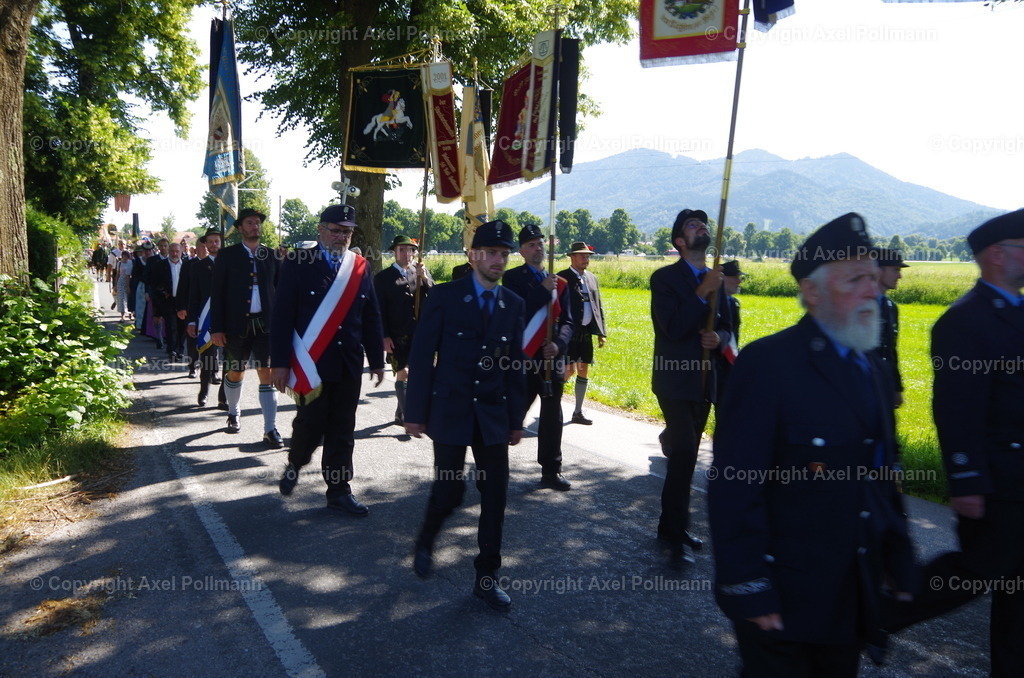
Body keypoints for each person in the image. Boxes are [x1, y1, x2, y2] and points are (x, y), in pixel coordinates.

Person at [709, 213, 914, 677]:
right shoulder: (769, 366)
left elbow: (883, 477)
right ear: (813, 292)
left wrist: (898, 561)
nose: (873, 289)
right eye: (856, 279)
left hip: (849, 596)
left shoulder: (873, 370)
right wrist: (749, 588)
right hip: (784, 601)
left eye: (872, 276)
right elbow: (736, 487)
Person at [884, 209, 1024, 677]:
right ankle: (875, 616)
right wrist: (965, 479)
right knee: (972, 574)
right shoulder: (967, 320)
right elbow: (957, 409)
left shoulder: (1016, 314)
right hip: (999, 480)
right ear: (998, 255)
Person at [405, 220, 527, 611]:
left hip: (492, 415)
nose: (498, 260)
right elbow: (423, 356)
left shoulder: (514, 305)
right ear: (473, 255)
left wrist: (515, 420)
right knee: (449, 491)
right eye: (491, 253)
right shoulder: (446, 297)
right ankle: (426, 541)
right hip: (450, 410)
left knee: (495, 497)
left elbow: (517, 368)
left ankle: (487, 579)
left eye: (504, 254)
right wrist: (415, 412)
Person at [272, 204, 385, 515]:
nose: (341, 237)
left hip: (348, 362)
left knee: (342, 429)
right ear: (320, 230)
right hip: (313, 364)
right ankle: (296, 461)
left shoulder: (360, 267)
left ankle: (338, 490)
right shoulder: (297, 263)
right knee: (311, 424)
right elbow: (282, 316)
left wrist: (377, 359)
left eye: (347, 232)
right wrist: (280, 363)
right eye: (335, 230)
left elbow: (371, 315)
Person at [651, 208, 732, 568]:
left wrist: (720, 336)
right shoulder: (665, 279)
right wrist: (702, 291)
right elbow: (671, 327)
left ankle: (670, 526)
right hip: (674, 379)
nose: (701, 227)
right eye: (692, 225)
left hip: (704, 382)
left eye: (702, 223)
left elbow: (730, 326)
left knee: (687, 457)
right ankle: (676, 531)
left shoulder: (716, 278)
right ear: (680, 241)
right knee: (684, 454)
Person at [501, 224, 574, 491]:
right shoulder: (512, 279)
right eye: (531, 244)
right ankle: (495, 463)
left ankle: (551, 470)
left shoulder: (560, 283)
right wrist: (542, 290)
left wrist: (558, 344)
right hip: (525, 359)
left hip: (550, 358)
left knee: (553, 416)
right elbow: (517, 312)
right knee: (514, 411)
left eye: (541, 243)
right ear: (521, 251)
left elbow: (568, 321)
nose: (538, 248)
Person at [210, 207, 282, 446]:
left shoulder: (271, 256)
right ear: (240, 228)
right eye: (250, 223)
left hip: (266, 325)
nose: (255, 226)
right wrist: (216, 328)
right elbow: (217, 294)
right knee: (236, 370)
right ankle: (233, 413)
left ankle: (270, 429)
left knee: (267, 374)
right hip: (234, 326)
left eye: (257, 223)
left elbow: (281, 292)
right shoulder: (227, 256)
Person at [374, 235, 433, 426]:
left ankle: (401, 411)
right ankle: (410, 416)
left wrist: (425, 278)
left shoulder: (421, 272)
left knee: (419, 374)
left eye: (410, 250)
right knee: (404, 372)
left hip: (420, 333)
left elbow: (435, 297)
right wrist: (384, 336)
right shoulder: (383, 278)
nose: (407, 254)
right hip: (397, 335)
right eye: (402, 250)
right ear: (394, 252)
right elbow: (378, 310)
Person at [557, 241, 607, 425]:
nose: (586, 259)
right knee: (568, 370)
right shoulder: (561, 278)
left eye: (587, 256)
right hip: (568, 331)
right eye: (582, 255)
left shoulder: (592, 278)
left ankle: (577, 412)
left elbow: (597, 306)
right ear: (572, 257)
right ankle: (553, 401)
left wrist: (601, 332)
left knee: (584, 369)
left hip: (586, 332)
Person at [186, 229, 224, 408]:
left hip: (229, 318)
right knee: (208, 357)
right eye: (210, 242)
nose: (213, 244)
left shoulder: (231, 265)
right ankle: (204, 392)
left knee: (232, 360)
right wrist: (192, 321)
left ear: (221, 242)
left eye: (216, 241)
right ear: (205, 244)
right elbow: (193, 296)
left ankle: (224, 396)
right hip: (207, 319)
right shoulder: (198, 267)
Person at [874, 248, 909, 407]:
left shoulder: (890, 307)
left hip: (883, 385)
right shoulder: (859, 306)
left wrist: (896, 388)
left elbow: (891, 350)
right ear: (878, 271)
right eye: (895, 270)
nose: (900, 275)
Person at [151, 242, 187, 362]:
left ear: (181, 252)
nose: (174, 254)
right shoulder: (160, 265)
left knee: (182, 327)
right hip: (168, 300)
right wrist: (163, 293)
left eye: (177, 251)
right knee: (171, 326)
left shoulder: (187, 265)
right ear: (169, 252)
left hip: (183, 301)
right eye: (172, 251)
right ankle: (172, 350)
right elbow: (155, 283)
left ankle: (180, 350)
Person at [715, 260, 743, 403]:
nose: (739, 281)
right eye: (734, 277)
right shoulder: (711, 302)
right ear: (722, 278)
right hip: (712, 366)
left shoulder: (734, 303)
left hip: (729, 366)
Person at [114, 250, 134, 322]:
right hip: (121, 281)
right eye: (123, 256)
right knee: (121, 299)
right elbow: (117, 274)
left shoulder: (130, 263)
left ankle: (130, 314)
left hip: (129, 281)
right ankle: (123, 316)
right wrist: (115, 285)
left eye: (126, 256)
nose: (125, 258)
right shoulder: (119, 263)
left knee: (129, 298)